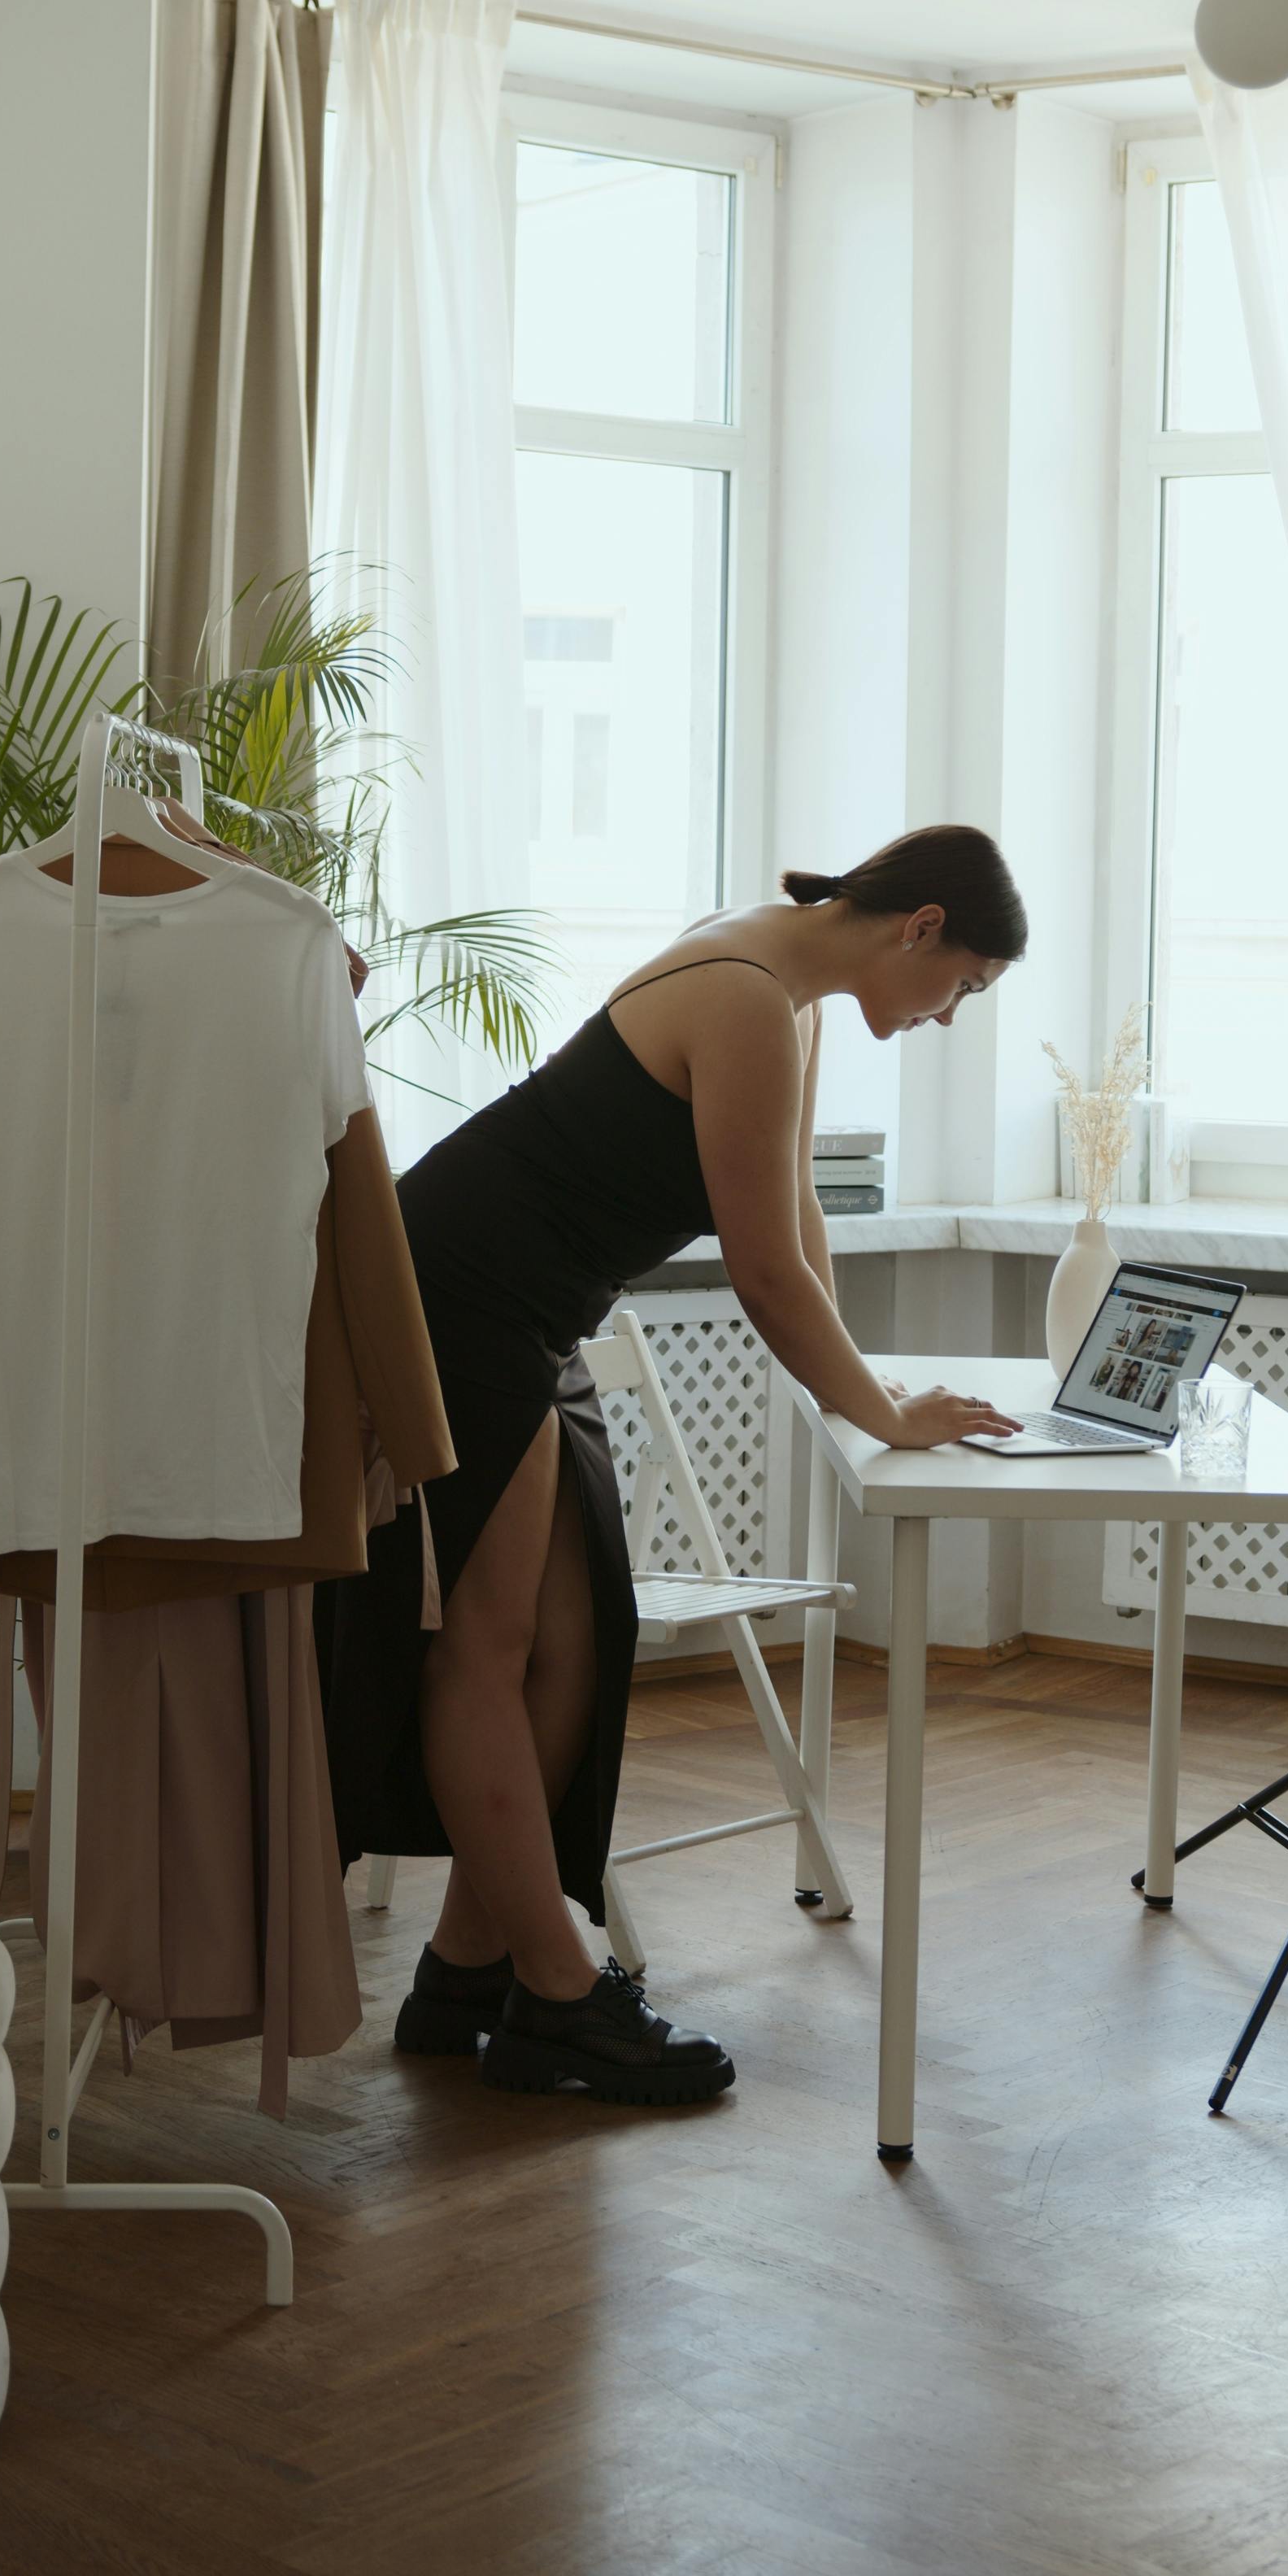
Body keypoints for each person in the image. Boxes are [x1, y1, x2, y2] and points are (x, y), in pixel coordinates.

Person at [315, 823, 1028, 2107]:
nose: (947, 1016)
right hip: (461, 1297)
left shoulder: (785, 991)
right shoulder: (747, 997)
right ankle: (557, 1991)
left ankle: (471, 1968)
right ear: (921, 927)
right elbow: (759, 1273)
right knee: (487, 1640)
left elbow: (795, 1222)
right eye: (963, 987)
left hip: (528, 1308)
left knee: (577, 1641)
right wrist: (878, 1414)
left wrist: (876, 1386)